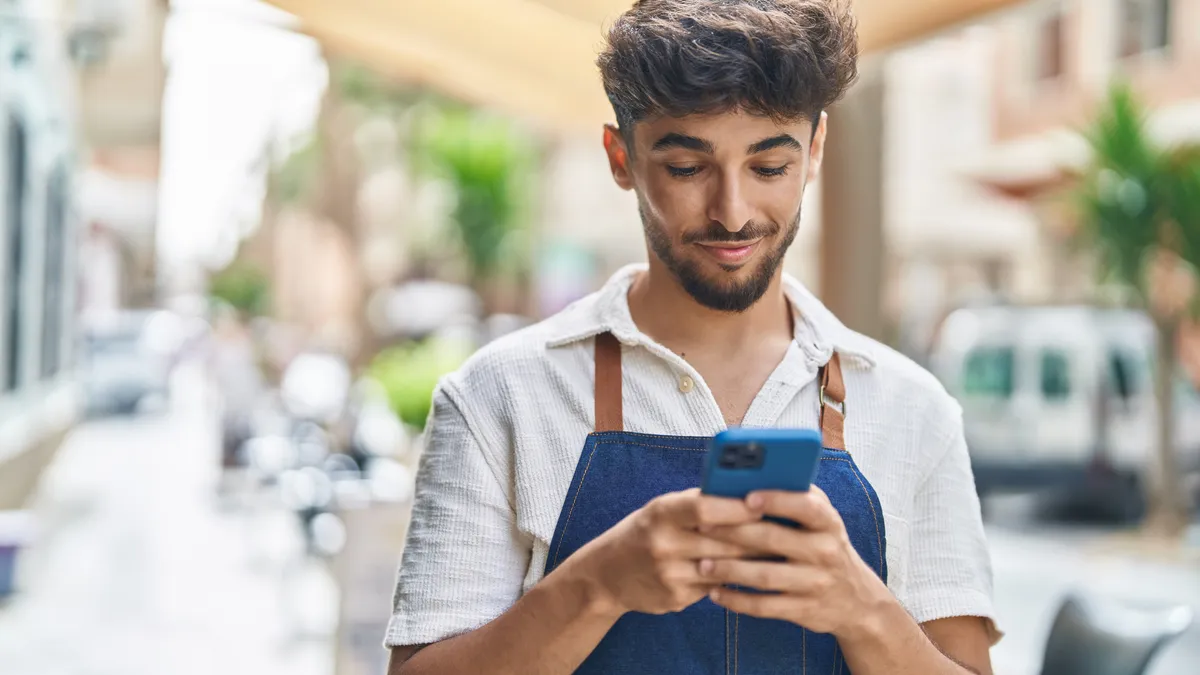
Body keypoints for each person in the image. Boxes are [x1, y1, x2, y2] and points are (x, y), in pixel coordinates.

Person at [385, 1, 1000, 673]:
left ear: (815, 151)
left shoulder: (914, 411)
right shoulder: (497, 399)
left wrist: (863, 609)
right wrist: (600, 584)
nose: (731, 212)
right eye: (686, 167)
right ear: (621, 157)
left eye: (769, 168)